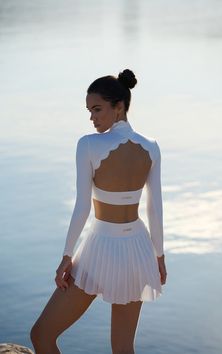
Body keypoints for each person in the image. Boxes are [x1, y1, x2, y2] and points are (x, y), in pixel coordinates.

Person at [30, 69, 167, 354]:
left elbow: (82, 205)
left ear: (119, 107)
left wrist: (67, 256)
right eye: (89, 111)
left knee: (42, 335)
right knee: (123, 348)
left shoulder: (89, 145)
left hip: (99, 248)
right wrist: (159, 256)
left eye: (97, 109)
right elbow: (155, 208)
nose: (92, 117)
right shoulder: (151, 146)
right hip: (138, 250)